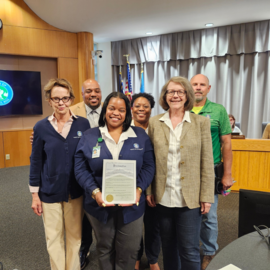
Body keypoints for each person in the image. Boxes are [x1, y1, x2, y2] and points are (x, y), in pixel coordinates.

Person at [74, 92, 156, 270]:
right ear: (105, 110)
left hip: (132, 205)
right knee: (104, 248)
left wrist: (139, 189)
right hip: (98, 204)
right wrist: (95, 192)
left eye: (121, 109)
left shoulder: (140, 136)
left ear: (127, 113)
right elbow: (80, 168)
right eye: (111, 108)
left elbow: (149, 167)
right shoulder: (89, 136)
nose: (116, 113)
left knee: (129, 249)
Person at [30, 78, 102, 269]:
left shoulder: (83, 125)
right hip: (49, 191)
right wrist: (35, 194)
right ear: (49, 101)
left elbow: (91, 154)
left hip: (76, 191)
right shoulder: (41, 127)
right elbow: (36, 161)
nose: (61, 103)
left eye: (65, 98)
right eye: (56, 99)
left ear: (71, 99)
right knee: (53, 239)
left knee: (74, 237)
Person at [146, 76, 215, 270]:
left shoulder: (200, 122)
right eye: (171, 92)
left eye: (180, 92)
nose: (175, 95)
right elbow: (149, 160)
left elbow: (207, 162)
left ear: (187, 95)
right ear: (165, 96)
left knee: (189, 249)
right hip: (163, 195)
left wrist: (207, 196)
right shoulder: (154, 122)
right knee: (168, 247)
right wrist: (149, 190)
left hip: (190, 198)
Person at [190, 74, 233, 270]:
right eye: (194, 84)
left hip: (211, 171)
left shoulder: (218, 110)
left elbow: (226, 143)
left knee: (209, 215)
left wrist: (227, 174)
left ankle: (209, 252)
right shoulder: (182, 108)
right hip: (186, 170)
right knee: (187, 212)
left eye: (202, 85)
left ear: (209, 88)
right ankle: (189, 248)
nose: (198, 88)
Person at [70, 79, 102, 269]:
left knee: (103, 208)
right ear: (82, 93)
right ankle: (84, 248)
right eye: (89, 91)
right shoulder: (72, 111)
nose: (93, 94)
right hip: (79, 168)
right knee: (82, 213)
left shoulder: (111, 107)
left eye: (96, 91)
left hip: (105, 169)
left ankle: (107, 247)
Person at [130, 93, 161, 270]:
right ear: (131, 108)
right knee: (133, 225)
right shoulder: (124, 128)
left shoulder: (157, 128)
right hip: (132, 184)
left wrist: (151, 188)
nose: (141, 109)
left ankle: (153, 259)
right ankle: (135, 257)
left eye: (146, 106)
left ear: (151, 109)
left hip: (154, 184)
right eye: (138, 106)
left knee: (153, 225)